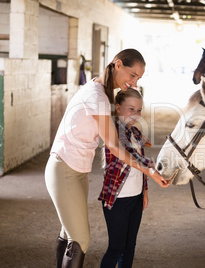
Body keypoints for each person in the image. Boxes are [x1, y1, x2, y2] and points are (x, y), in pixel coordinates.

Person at [45, 49, 170, 268]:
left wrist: (139, 139)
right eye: (132, 75)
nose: (134, 82)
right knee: (80, 239)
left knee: (68, 232)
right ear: (118, 64)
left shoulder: (101, 92)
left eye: (138, 78)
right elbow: (113, 144)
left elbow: (117, 129)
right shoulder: (98, 96)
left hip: (76, 170)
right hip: (64, 168)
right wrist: (148, 170)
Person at [99, 88, 150, 267]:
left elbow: (139, 170)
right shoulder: (113, 132)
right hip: (117, 199)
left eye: (139, 110)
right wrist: (153, 168)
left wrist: (144, 192)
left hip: (135, 198)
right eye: (131, 109)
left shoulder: (134, 132)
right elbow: (135, 158)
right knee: (116, 248)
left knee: (129, 247)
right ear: (118, 108)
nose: (136, 114)